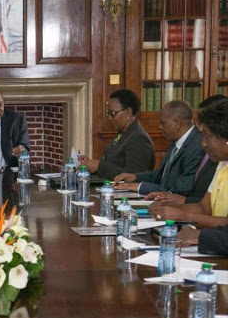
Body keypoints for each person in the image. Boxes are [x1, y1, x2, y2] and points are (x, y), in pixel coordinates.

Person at [149, 99, 228, 232]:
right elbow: (204, 207)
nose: (203, 144)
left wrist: (183, 216)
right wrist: (169, 209)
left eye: (207, 137)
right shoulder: (222, 164)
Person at [113, 100, 205, 195]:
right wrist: (135, 177)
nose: (160, 127)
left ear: (177, 123)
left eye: (163, 123)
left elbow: (180, 190)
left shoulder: (196, 146)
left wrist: (140, 186)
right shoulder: (176, 139)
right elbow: (161, 175)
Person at [80, 89, 155, 180]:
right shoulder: (124, 132)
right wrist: (91, 165)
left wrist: (99, 166)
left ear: (128, 112)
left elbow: (133, 176)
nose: (110, 118)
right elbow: (114, 165)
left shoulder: (139, 138)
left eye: (113, 113)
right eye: (108, 114)